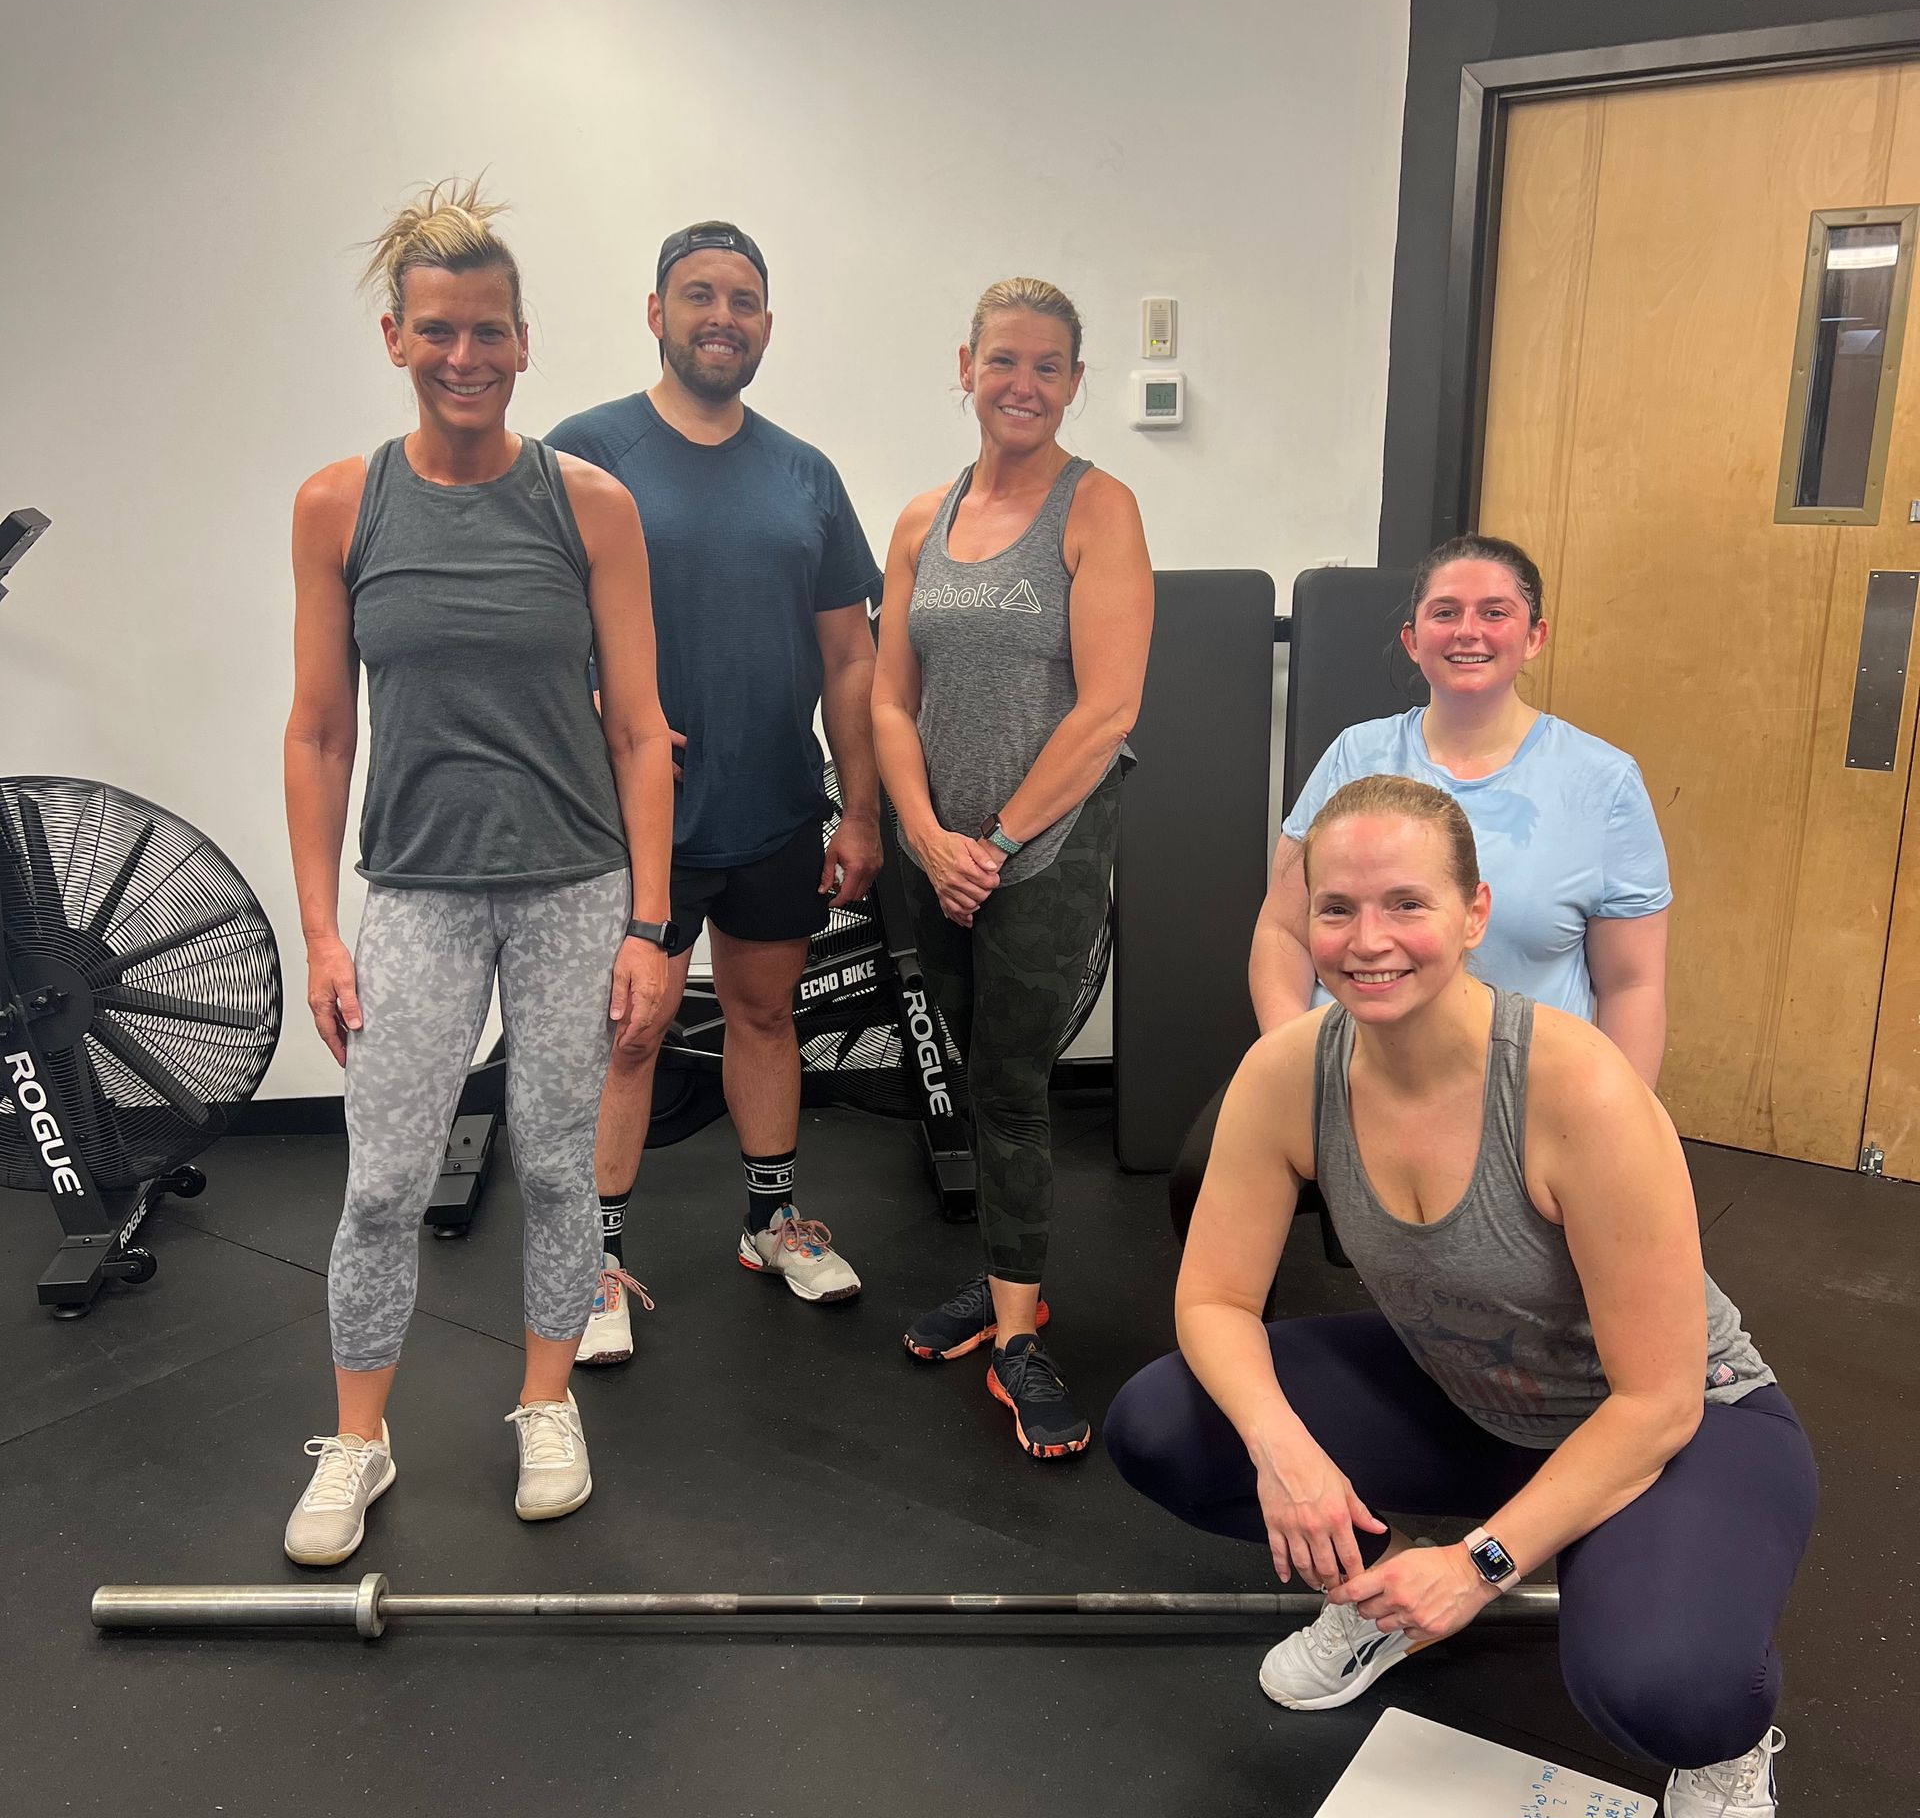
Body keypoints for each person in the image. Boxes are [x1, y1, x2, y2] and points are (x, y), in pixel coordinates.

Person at [1106, 775, 1817, 1818]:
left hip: (1680, 1425)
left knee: (1664, 1685)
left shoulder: (1581, 1091)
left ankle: (1727, 1729)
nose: (1367, 939)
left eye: (1406, 904)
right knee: (1167, 1421)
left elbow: (1657, 1398)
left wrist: (1483, 1565)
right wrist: (1287, 1452)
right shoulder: (1288, 1071)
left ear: (1475, 913)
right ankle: (1383, 1594)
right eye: (1336, 908)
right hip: (1471, 1393)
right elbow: (1212, 1300)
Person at [282, 182, 675, 1565]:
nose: (467, 357)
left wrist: (648, 922)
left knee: (563, 1172)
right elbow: (320, 727)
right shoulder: (341, 506)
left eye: (491, 332)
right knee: (384, 1184)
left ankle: (546, 1402)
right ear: (396, 336)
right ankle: (359, 1441)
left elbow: (640, 729)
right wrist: (323, 929)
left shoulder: (593, 509)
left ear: (524, 343)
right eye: (440, 331)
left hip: (573, 886)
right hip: (415, 892)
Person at [546, 222, 883, 1363]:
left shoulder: (805, 474)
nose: (721, 316)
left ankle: (769, 1224)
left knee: (764, 1012)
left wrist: (866, 809)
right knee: (629, 1033)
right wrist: (592, 713)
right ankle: (587, 1264)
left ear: (767, 327)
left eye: (743, 300)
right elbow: (535, 627)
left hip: (778, 803)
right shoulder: (588, 450)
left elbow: (850, 659)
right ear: (656, 312)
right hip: (634, 819)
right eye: (699, 295)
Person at [1170, 532, 1671, 1239]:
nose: (1468, 631)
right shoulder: (1356, 755)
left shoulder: (1603, 783)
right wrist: (1294, 1065)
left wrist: (1621, 1122)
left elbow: (1632, 984)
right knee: (1200, 1177)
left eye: (1495, 612)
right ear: (1413, 639)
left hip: (1520, 1086)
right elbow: (1282, 930)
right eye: (1445, 612)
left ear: (1535, 637)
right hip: (1356, 1068)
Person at [872, 279, 1154, 1459]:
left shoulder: (1100, 510)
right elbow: (890, 698)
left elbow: (1108, 711)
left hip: (1038, 854)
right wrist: (929, 837)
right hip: (934, 852)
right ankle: (1002, 1294)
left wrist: (989, 849)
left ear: (1076, 382)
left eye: (1048, 366)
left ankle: (1023, 1331)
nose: (1023, 385)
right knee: (964, 1080)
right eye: (1004, 362)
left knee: (1013, 1086)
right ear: (966, 367)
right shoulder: (919, 520)